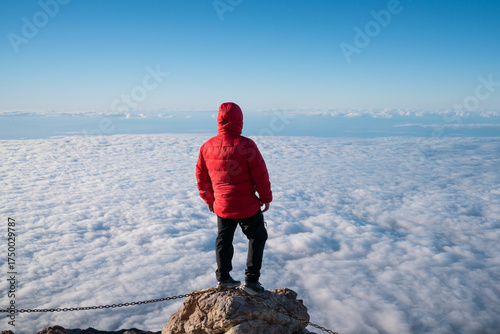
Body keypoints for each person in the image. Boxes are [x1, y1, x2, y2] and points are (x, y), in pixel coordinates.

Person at [196, 102, 272, 295]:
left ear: (219, 121)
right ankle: (252, 282)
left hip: (222, 205)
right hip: (247, 206)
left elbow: (201, 178)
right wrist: (265, 198)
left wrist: (209, 200)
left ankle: (223, 278)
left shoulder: (207, 147)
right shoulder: (246, 145)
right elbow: (260, 175)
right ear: (239, 121)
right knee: (257, 237)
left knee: (223, 239)